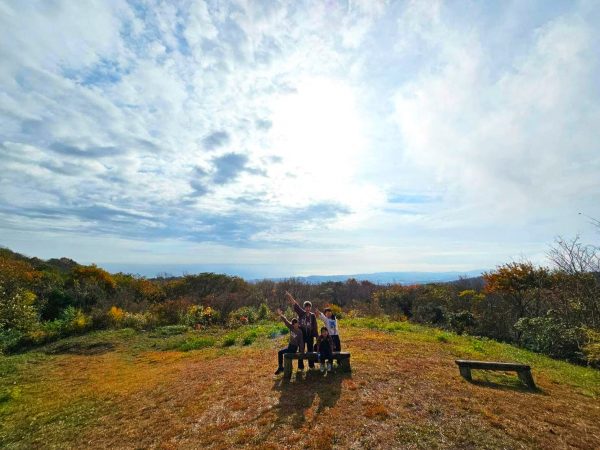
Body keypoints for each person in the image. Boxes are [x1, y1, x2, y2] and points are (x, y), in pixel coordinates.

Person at [285, 291, 318, 370]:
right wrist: (290, 296)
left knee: (310, 350)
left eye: (309, 307)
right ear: (304, 307)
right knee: (301, 350)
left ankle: (311, 365)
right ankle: (300, 366)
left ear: (310, 308)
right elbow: (295, 304)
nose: (308, 308)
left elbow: (315, 326)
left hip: (310, 336)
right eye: (306, 307)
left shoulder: (312, 316)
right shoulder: (301, 313)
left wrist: (316, 336)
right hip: (302, 336)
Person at [274, 308, 304, 375]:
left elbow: (301, 342)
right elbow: (285, 320)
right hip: (290, 346)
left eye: (297, 324)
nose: (295, 325)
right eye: (294, 324)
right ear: (292, 324)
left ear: (298, 324)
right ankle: (281, 367)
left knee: (280, 352)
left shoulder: (300, 332)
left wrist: (302, 352)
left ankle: (281, 368)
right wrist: (281, 315)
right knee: (280, 352)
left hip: (294, 348)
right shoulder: (291, 328)